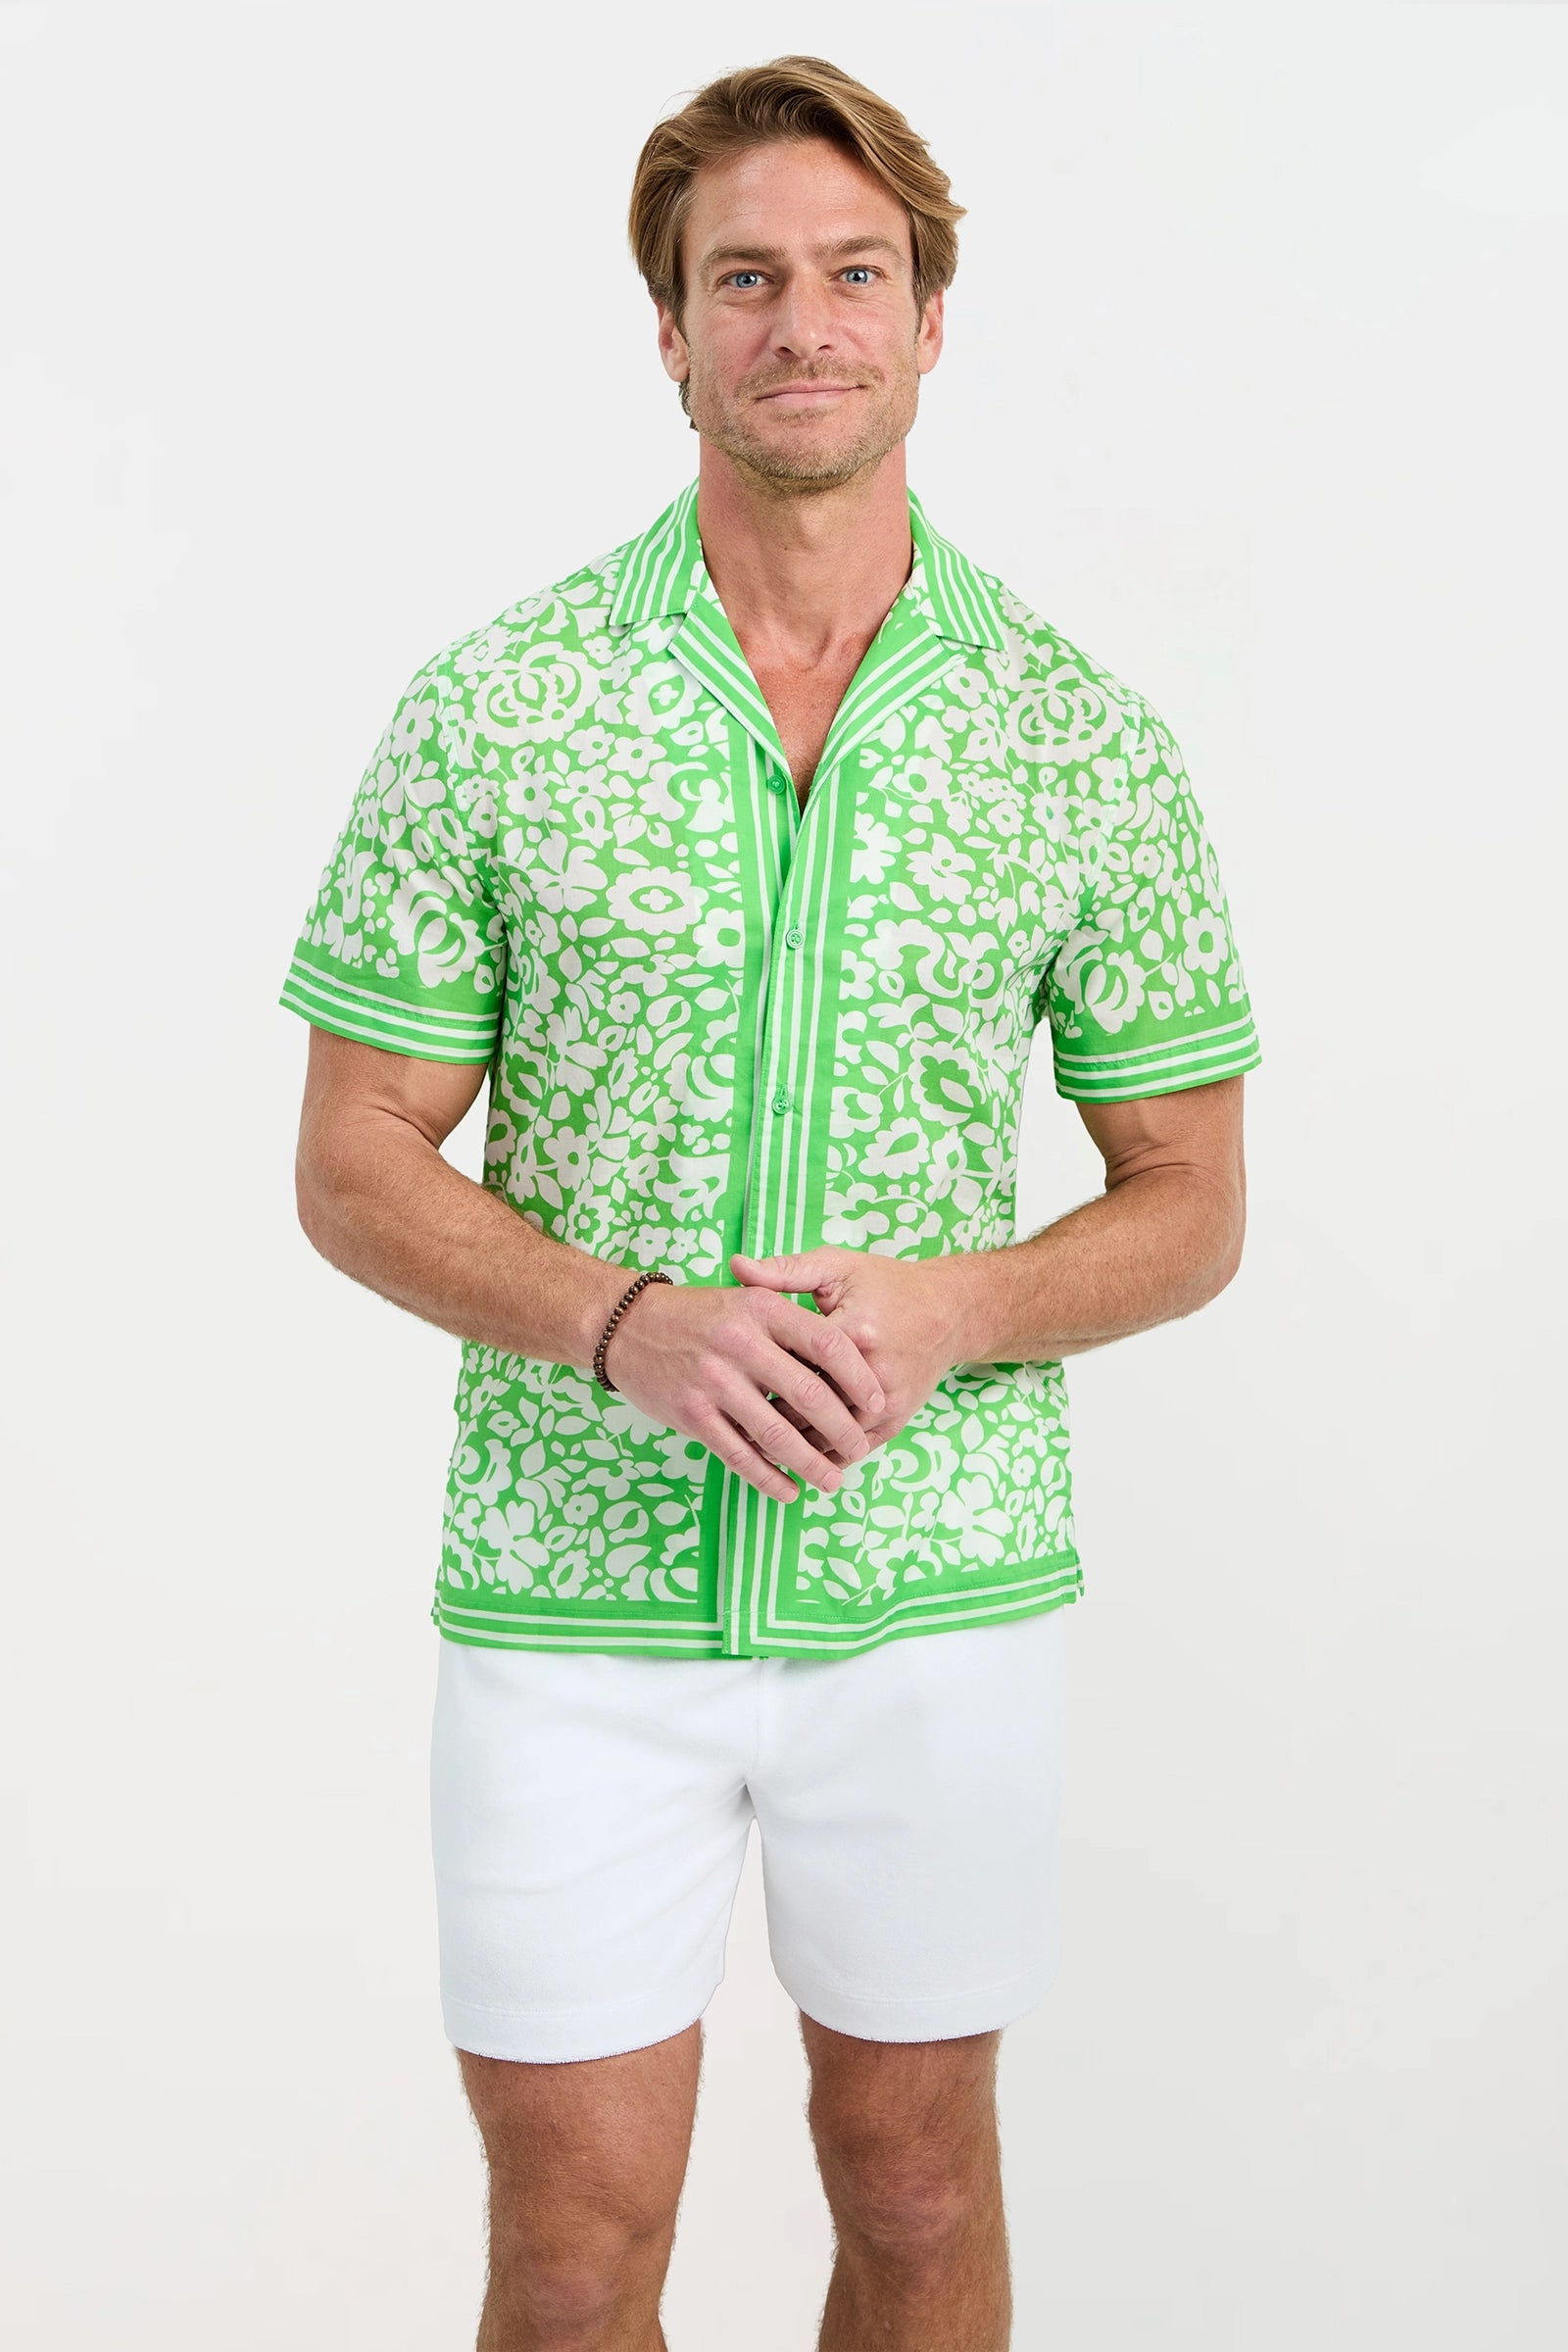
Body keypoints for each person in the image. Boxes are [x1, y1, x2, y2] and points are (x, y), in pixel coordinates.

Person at [279, 51, 1261, 2352]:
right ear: (669, 332)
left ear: (930, 319)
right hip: (567, 1601)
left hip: (936, 1599)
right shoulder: (497, 705)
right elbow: (349, 1155)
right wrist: (626, 1321)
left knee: (914, 2197)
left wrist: (945, 1312)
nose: (798, 321)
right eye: (743, 278)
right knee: (568, 2239)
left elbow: (1190, 1200)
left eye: (850, 273)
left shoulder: (1076, 734)